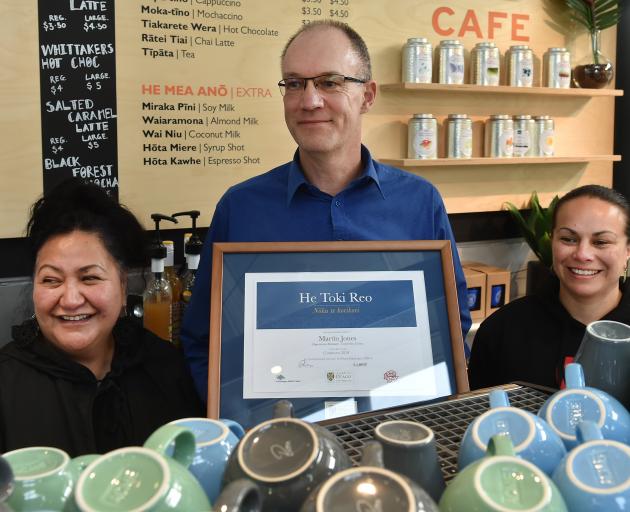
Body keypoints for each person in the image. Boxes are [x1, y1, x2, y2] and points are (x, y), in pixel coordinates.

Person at [181, 20, 471, 402]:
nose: (309, 100)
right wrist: (238, 418)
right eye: (295, 83)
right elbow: (203, 339)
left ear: (367, 95)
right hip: (279, 442)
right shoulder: (242, 207)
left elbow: (451, 329)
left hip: (394, 430)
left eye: (330, 82)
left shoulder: (419, 202)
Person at [0, 181, 203, 456]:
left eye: (90, 278)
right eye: (51, 280)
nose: (71, 299)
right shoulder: (7, 383)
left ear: (122, 286)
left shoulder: (165, 368)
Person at [468, 185, 630, 389]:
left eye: (601, 242)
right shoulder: (502, 330)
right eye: (568, 239)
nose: (582, 254)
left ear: (627, 251)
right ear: (551, 241)